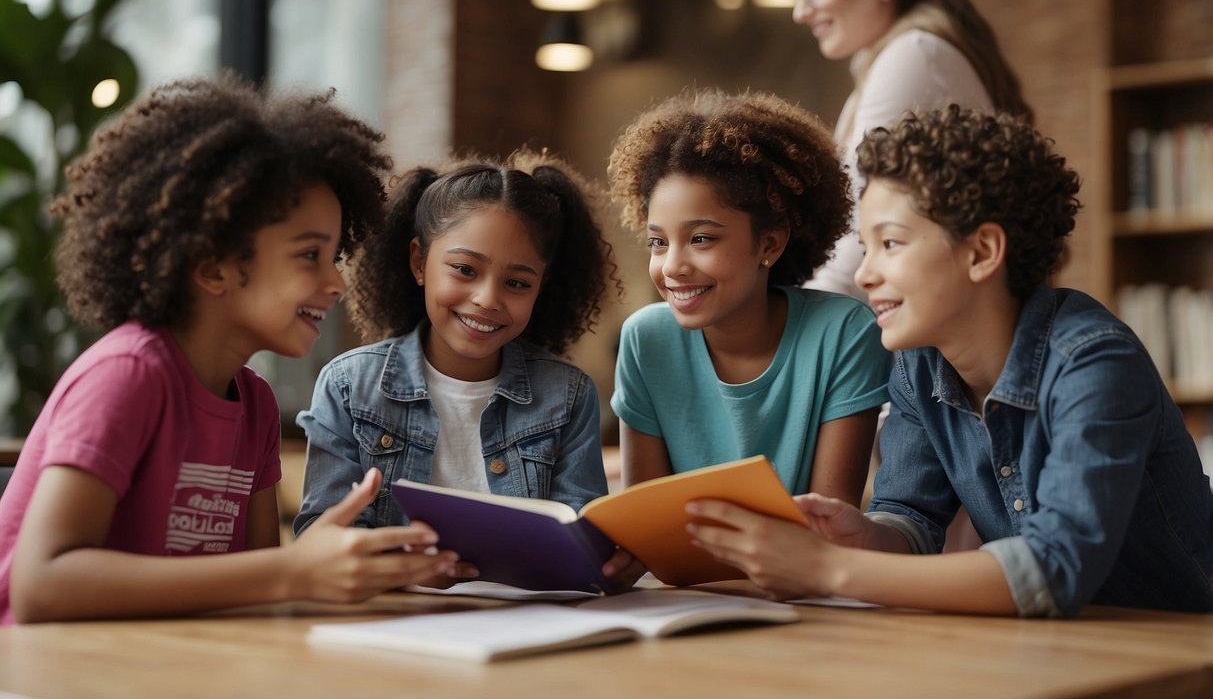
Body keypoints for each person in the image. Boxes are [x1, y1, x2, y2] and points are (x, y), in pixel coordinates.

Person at [686, 105, 1213, 616]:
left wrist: (829, 569)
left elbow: (1054, 568)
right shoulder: (918, 364)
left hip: (1183, 646)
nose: (866, 275)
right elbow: (912, 521)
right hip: (1070, 650)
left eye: (890, 243)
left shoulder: (1094, 362)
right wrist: (859, 536)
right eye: (864, 248)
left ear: (982, 252)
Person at [0, 76, 462, 625]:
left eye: (335, 254)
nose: (336, 283)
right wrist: (293, 571)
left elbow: (254, 589)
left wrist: (362, 569)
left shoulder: (256, 405)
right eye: (309, 254)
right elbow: (40, 585)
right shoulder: (127, 374)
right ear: (214, 265)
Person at [294, 150, 620, 540]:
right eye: (465, 270)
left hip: (524, 603)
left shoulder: (568, 396)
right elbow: (321, 536)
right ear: (419, 262)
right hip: (391, 599)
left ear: (541, 287)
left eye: (517, 282)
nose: (487, 298)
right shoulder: (348, 387)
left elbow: (582, 541)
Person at [606, 88, 890, 509]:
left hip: (800, 573)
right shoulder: (645, 339)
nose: (672, 267)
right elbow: (644, 520)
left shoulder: (844, 334)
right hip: (679, 576)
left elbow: (829, 525)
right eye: (658, 242)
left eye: (701, 239)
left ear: (770, 244)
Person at [786, 0, 1032, 300]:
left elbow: (858, 231)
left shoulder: (912, 55)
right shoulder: (903, 52)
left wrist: (802, 334)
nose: (800, 10)